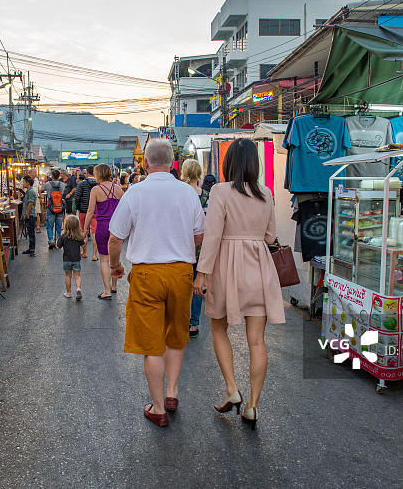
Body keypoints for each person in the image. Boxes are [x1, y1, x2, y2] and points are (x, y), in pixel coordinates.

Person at [108, 139, 205, 428]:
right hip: (181, 272)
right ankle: (173, 393)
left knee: (152, 345)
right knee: (176, 334)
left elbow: (115, 238)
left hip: (147, 273)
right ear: (173, 162)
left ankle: (158, 407)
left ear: (145, 163)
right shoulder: (187, 192)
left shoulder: (135, 192)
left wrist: (115, 266)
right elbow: (200, 234)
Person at [193, 138, 285, 429]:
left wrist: (201, 272)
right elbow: (271, 236)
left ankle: (232, 388)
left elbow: (213, 236)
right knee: (257, 340)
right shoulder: (266, 193)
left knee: (218, 327)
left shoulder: (220, 191)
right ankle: (253, 406)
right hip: (259, 268)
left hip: (226, 269)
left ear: (229, 163)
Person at [83, 164, 123, 300]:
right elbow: (124, 210)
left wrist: (84, 230)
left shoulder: (95, 190)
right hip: (117, 227)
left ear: (98, 174)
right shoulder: (118, 189)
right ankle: (114, 286)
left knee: (104, 259)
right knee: (115, 258)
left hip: (102, 226)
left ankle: (106, 291)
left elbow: (90, 211)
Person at [181, 159, 208, 338]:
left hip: (182, 245)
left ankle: (180, 319)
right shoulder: (207, 195)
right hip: (201, 246)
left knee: (182, 285)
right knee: (198, 285)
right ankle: (194, 323)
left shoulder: (180, 193)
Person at [57, 214, 84, 301]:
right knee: (77, 276)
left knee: (68, 276)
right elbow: (83, 244)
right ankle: (78, 289)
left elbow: (58, 246)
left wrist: (58, 240)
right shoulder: (78, 236)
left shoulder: (63, 236)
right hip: (76, 259)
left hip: (67, 260)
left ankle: (68, 293)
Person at [74, 165, 98, 260]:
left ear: (87, 173)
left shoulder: (82, 184)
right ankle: (95, 255)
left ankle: (84, 252)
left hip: (83, 211)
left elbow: (77, 196)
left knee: (84, 231)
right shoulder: (98, 183)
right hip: (95, 211)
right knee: (94, 232)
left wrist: (78, 206)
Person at [41, 169, 66, 249]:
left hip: (51, 207)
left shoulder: (47, 184)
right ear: (59, 176)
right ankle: (58, 242)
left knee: (49, 226)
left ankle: (51, 240)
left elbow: (40, 190)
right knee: (59, 226)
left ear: (52, 176)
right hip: (60, 207)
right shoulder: (62, 184)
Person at [21, 176, 37, 257]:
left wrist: (27, 213)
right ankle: (30, 248)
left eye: (24, 182)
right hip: (29, 215)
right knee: (30, 232)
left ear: (27, 182)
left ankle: (32, 250)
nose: (23, 183)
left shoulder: (31, 191)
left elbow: (30, 203)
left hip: (30, 215)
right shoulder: (28, 191)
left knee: (31, 233)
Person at [28, 168, 43, 233]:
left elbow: (39, 189)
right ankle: (30, 227)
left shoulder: (36, 179)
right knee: (29, 212)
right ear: (30, 173)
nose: (36, 174)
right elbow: (20, 189)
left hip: (36, 198)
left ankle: (38, 227)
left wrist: (41, 196)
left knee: (37, 212)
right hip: (29, 199)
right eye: (35, 172)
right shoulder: (25, 179)